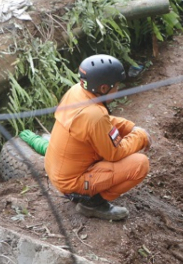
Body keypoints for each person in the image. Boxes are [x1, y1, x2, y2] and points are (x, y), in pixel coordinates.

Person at [45, 54, 151, 221]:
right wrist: (141, 136)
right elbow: (114, 153)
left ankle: (87, 194)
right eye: (115, 87)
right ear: (103, 88)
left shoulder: (77, 92)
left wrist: (129, 127)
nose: (117, 90)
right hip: (72, 183)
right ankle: (92, 204)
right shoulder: (94, 115)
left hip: (58, 172)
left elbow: (104, 122)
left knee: (119, 148)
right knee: (140, 164)